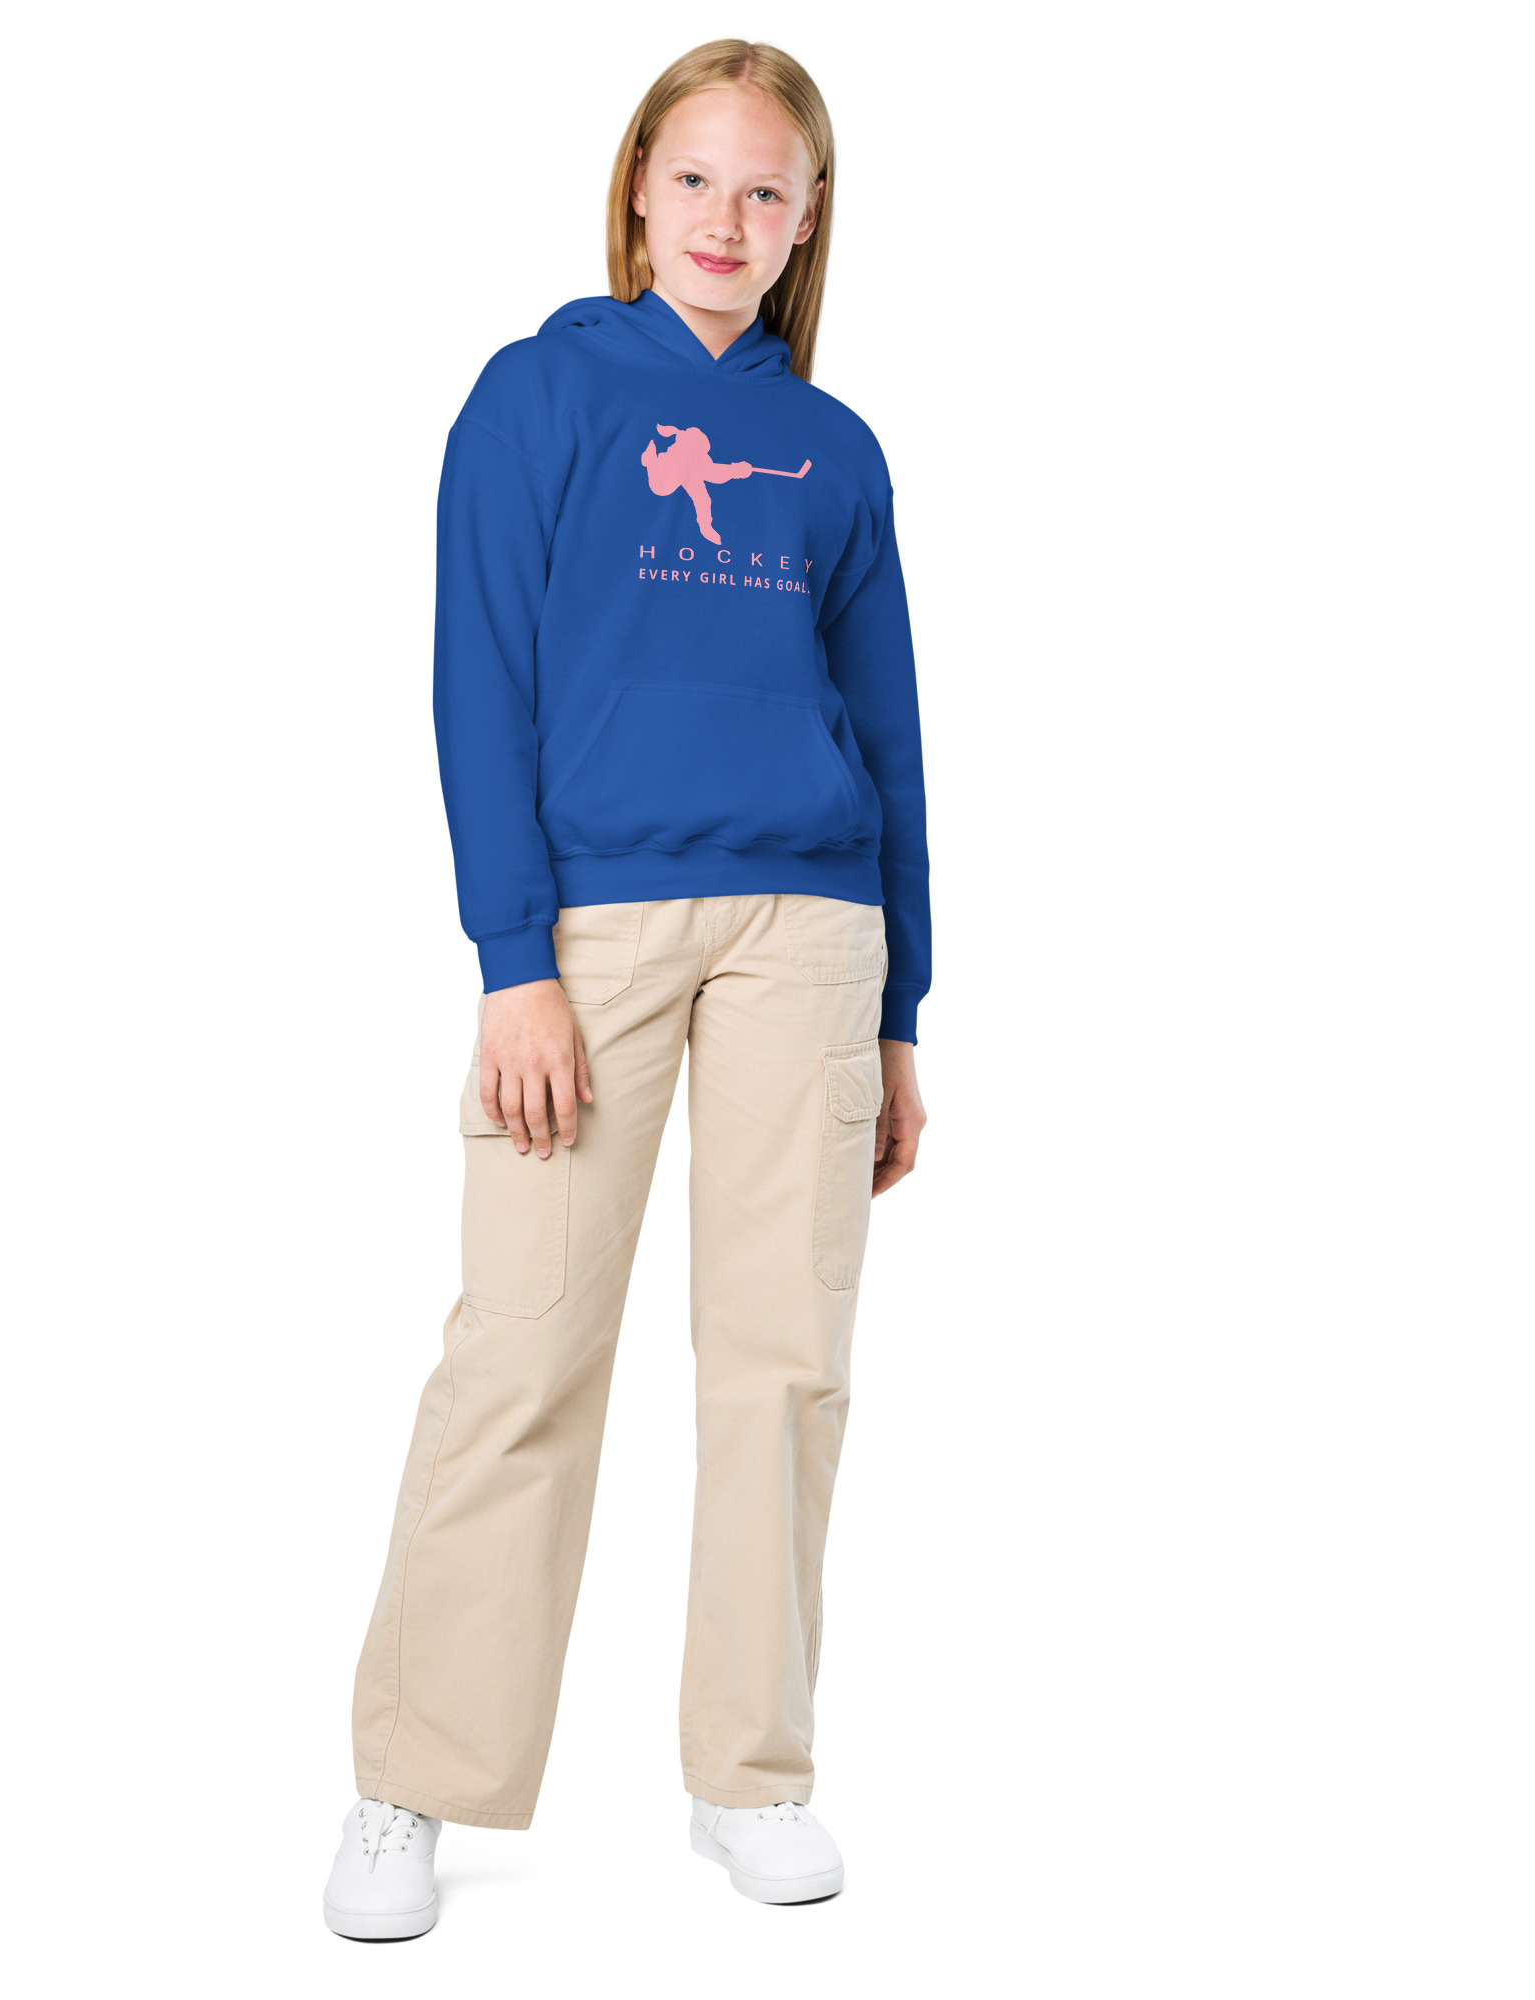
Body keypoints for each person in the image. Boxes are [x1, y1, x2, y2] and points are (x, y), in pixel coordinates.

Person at [324, 38, 930, 1941]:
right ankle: (416, 1779)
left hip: (809, 934)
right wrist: (514, 963)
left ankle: (752, 1772)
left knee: (783, 1363)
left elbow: (893, 734)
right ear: (638, 188)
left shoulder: (835, 451)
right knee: (522, 1350)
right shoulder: (540, 394)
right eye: (696, 180)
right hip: (592, 937)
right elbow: (475, 682)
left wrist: (904, 1007)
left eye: (766, 191)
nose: (725, 221)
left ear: (807, 219)